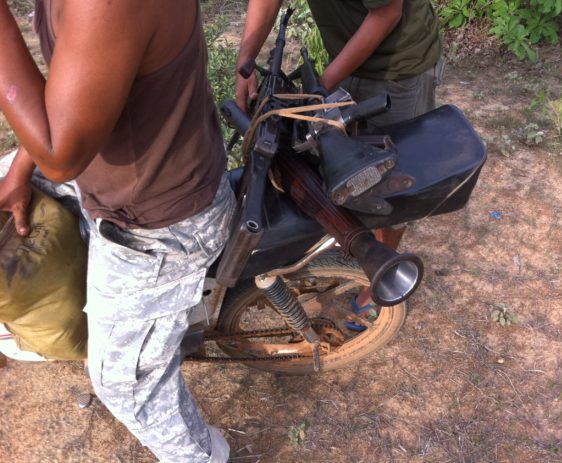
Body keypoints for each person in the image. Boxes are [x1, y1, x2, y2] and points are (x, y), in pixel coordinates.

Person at [0, 1, 232, 461]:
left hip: (156, 227)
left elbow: (61, 156)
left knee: (125, 387)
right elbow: (81, 83)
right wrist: (21, 168)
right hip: (126, 184)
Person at [235, 0, 443, 328]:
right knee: (337, 164)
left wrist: (321, 89)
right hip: (349, 52)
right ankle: (353, 244)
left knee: (392, 182)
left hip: (399, 66)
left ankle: (381, 277)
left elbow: (387, 12)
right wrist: (244, 64)